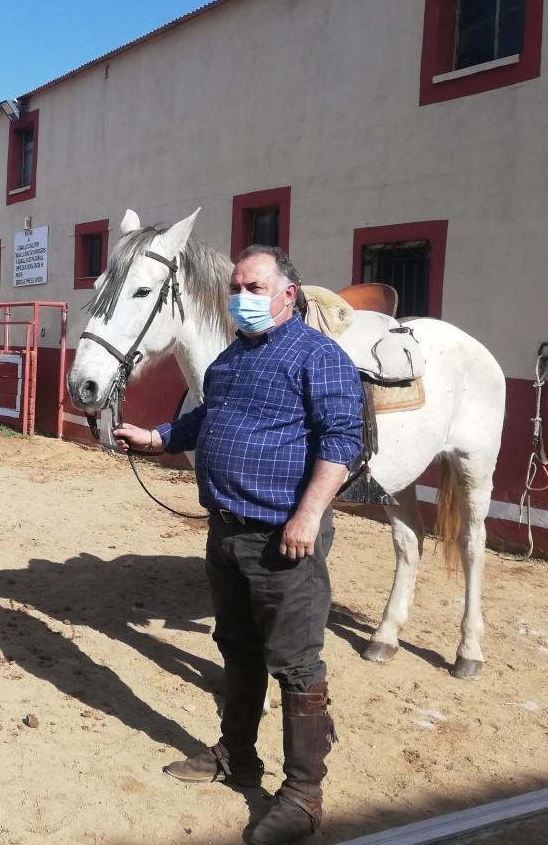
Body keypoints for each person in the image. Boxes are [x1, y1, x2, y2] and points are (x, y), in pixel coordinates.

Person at [113, 245, 362, 845]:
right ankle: (238, 756)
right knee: (238, 649)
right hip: (225, 532)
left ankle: (303, 796)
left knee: (296, 662)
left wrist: (308, 514)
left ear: (287, 295)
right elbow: (204, 419)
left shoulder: (317, 356)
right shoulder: (230, 359)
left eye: (254, 288)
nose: (241, 299)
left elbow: (343, 438)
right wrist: (156, 436)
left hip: (284, 538)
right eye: (237, 288)